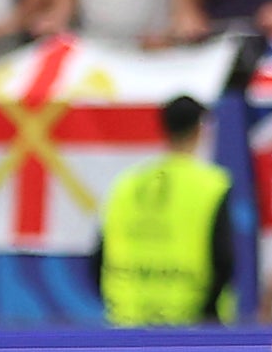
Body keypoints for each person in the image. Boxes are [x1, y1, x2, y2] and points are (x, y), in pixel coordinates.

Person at [95, 93, 233, 326]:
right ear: (201, 129)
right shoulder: (212, 185)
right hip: (190, 320)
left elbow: (99, 255)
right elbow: (223, 258)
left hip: (127, 319)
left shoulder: (127, 184)